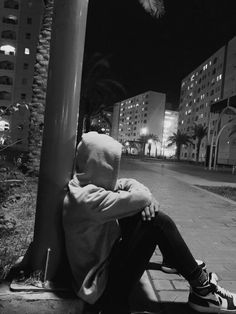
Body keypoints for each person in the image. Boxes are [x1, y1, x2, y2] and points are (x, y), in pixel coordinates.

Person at [63, 132, 236, 314]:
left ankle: (178, 263)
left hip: (102, 274)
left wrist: (142, 200)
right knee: (156, 221)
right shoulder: (88, 199)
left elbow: (128, 184)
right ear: (99, 165)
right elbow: (141, 196)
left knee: (142, 214)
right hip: (101, 290)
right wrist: (146, 199)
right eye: (111, 165)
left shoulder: (82, 187)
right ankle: (203, 290)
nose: (115, 171)